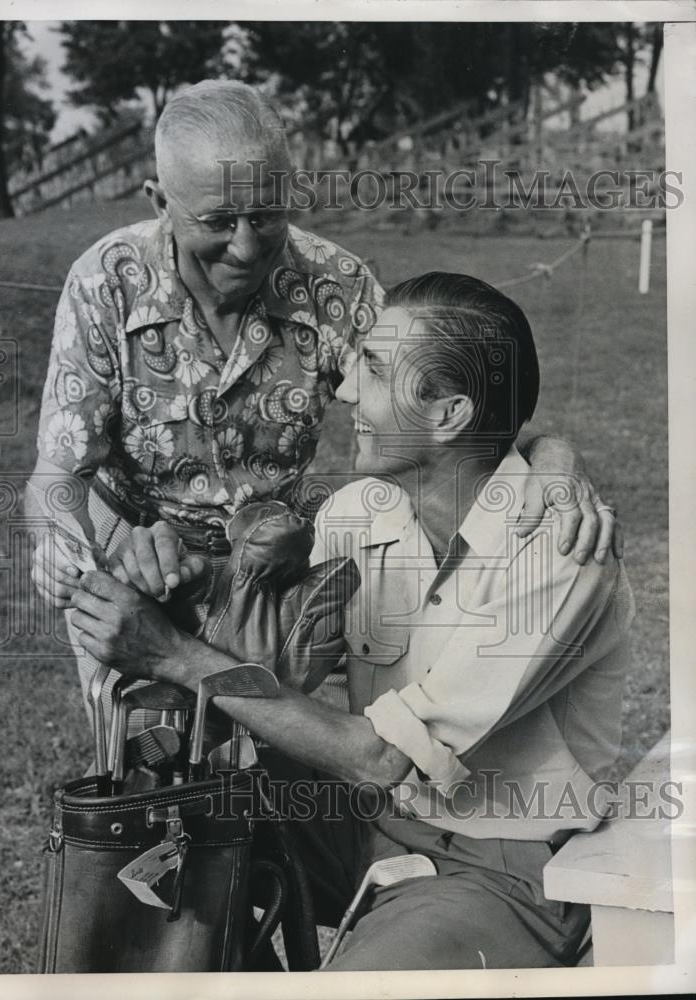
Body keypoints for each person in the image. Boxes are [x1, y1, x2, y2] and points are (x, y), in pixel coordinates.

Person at [69, 271, 634, 970]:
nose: (341, 392)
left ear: (449, 416)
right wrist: (178, 594)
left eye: (372, 369)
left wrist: (175, 655)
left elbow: (378, 759)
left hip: (507, 866)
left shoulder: (559, 550)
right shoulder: (361, 510)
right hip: (368, 820)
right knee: (150, 833)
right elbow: (260, 666)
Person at [27, 79, 620, 724]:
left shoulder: (333, 283)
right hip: (135, 545)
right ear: (159, 201)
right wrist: (68, 557)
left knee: (268, 732)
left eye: (267, 214)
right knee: (145, 747)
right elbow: (58, 472)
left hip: (270, 554)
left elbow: (451, 399)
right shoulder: (104, 281)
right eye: (219, 221)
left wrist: (557, 462)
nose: (248, 246)